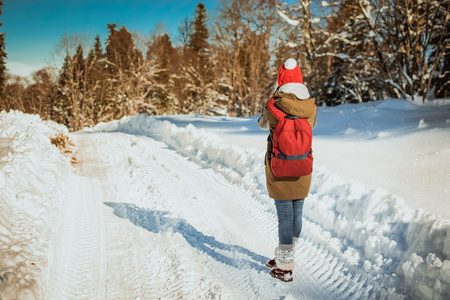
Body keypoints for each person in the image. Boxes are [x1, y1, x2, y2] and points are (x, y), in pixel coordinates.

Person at [257, 58, 317, 282]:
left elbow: (262, 124)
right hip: (302, 165)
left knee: (284, 216)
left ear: (281, 80)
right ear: (300, 79)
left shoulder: (273, 104)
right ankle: (287, 254)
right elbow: (312, 126)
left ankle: (285, 264)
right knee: (296, 214)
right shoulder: (310, 106)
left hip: (279, 165)